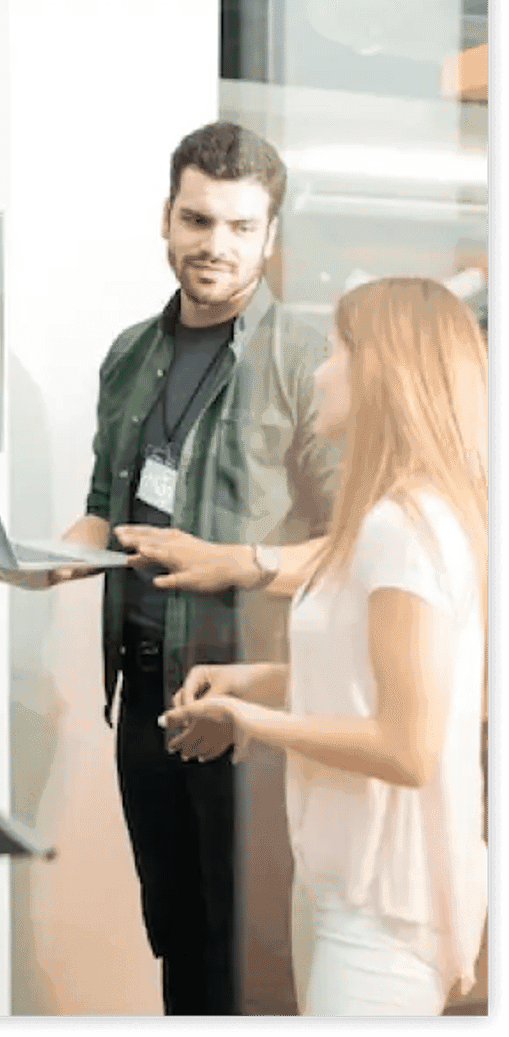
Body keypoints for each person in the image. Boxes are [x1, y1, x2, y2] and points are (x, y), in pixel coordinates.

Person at [0, 121, 340, 1015]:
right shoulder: (129, 355)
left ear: (270, 237)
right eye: (199, 220)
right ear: (167, 219)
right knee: (176, 929)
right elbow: (109, 510)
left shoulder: (307, 361)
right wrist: (41, 564)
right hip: (145, 691)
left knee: (255, 952)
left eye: (241, 227)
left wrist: (240, 563)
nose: (216, 245)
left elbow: (350, 544)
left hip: (248, 703)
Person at [156, 277, 488, 1015]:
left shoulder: (404, 530)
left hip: (381, 918)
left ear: (381, 372)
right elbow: (365, 680)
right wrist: (255, 681)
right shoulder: (391, 519)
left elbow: (407, 745)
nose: (318, 372)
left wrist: (253, 724)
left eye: (335, 351)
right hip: (343, 890)